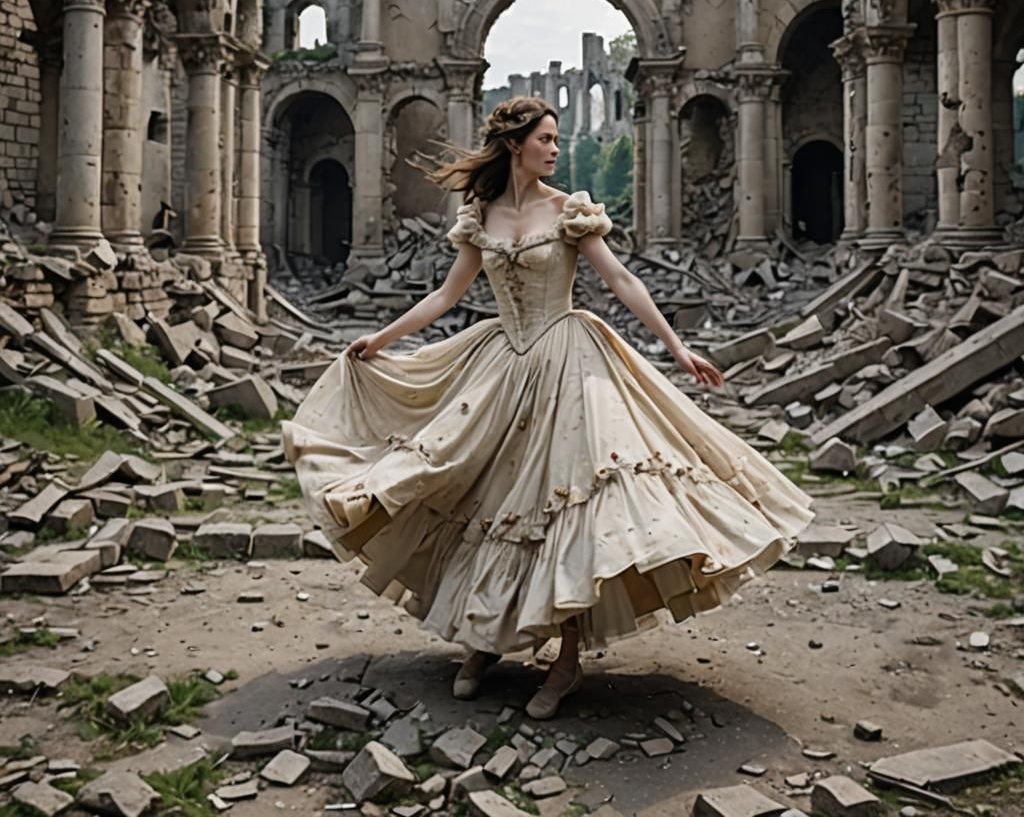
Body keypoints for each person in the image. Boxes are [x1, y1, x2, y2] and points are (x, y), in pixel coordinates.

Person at [283, 96, 813, 720]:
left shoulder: (570, 211)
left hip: (568, 360)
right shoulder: (478, 214)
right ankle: (484, 638)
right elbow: (448, 294)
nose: (556, 149)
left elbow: (621, 280)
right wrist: (382, 339)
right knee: (484, 496)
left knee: (568, 504)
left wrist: (678, 347)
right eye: (546, 139)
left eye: (557, 139)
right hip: (502, 363)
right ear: (516, 145)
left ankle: (565, 659)